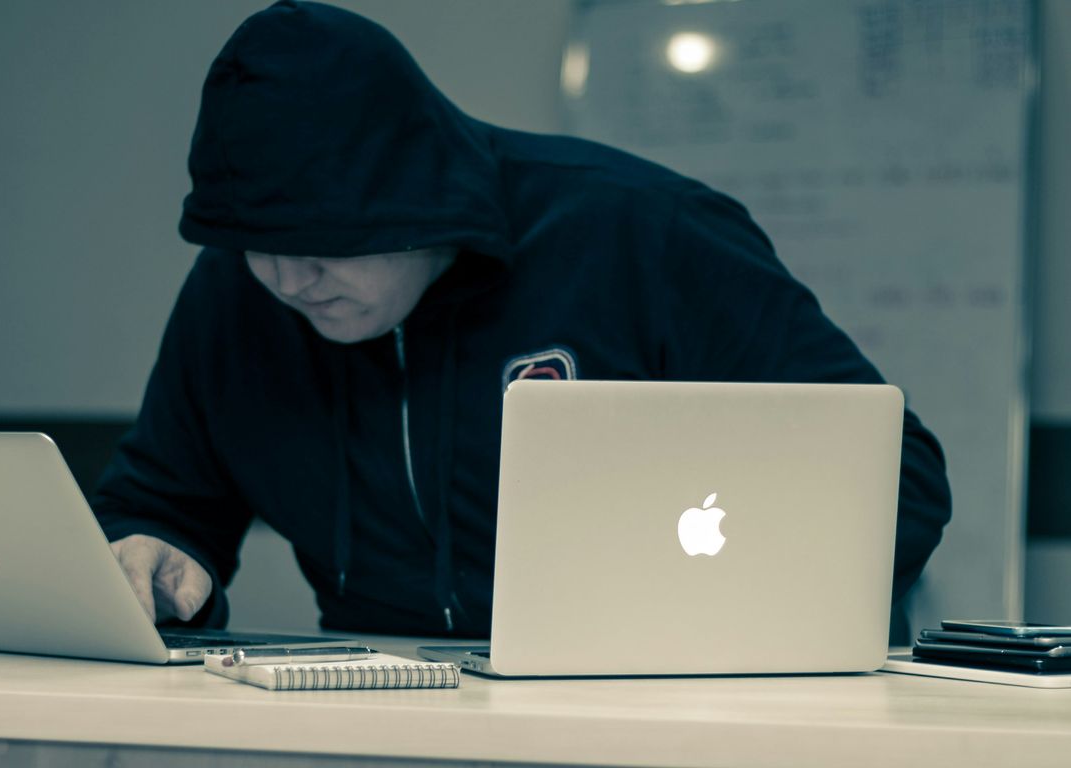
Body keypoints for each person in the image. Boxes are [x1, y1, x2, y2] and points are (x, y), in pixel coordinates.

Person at [92, 0, 952, 638]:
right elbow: (161, 502)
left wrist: (711, 627)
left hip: (675, 705)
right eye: (253, 243)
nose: (287, 279)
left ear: (416, 199)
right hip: (391, 714)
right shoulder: (237, 293)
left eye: (321, 242)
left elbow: (895, 480)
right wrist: (152, 553)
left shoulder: (642, 234)